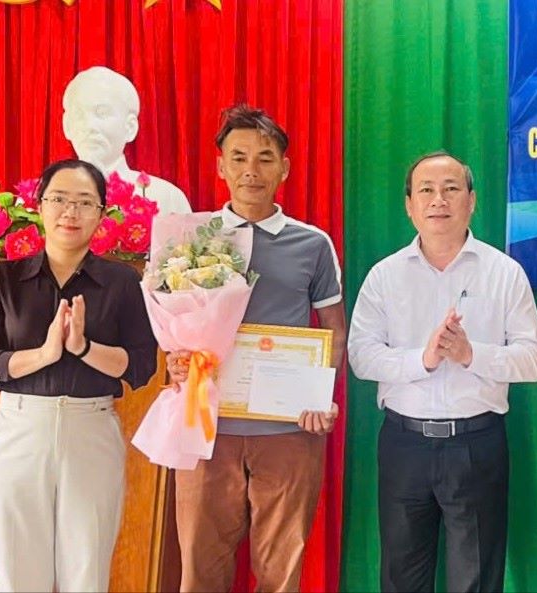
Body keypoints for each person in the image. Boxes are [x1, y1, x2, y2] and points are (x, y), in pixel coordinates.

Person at [164, 104, 346, 592]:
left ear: (284, 168)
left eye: (265, 158)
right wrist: (175, 360)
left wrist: (320, 396)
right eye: (239, 157)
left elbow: (334, 328)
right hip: (206, 424)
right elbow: (172, 323)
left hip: (289, 429)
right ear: (220, 166)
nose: (251, 170)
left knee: (281, 571)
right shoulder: (192, 239)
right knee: (200, 567)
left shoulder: (313, 244)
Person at [348, 151, 537, 592]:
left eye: (451, 189)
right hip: (404, 443)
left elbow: (534, 360)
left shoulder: (505, 273)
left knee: (476, 578)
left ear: (471, 200)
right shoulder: (384, 276)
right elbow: (361, 356)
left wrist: (472, 354)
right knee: (401, 577)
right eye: (427, 190)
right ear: (409, 205)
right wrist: (423, 360)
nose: (439, 200)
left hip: (476, 443)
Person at [0, 159, 159, 592]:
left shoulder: (122, 283)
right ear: (40, 206)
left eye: (85, 202)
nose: (71, 212)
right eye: (60, 199)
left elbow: (142, 364)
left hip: (91, 430)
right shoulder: (3, 280)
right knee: (18, 572)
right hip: (19, 428)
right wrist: (44, 355)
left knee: (86, 570)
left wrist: (84, 349)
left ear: (102, 214)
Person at [62, 66, 193, 215]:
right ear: (66, 125)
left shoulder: (166, 199)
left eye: (102, 113)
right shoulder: (46, 198)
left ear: (130, 127)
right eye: (79, 115)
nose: (89, 126)